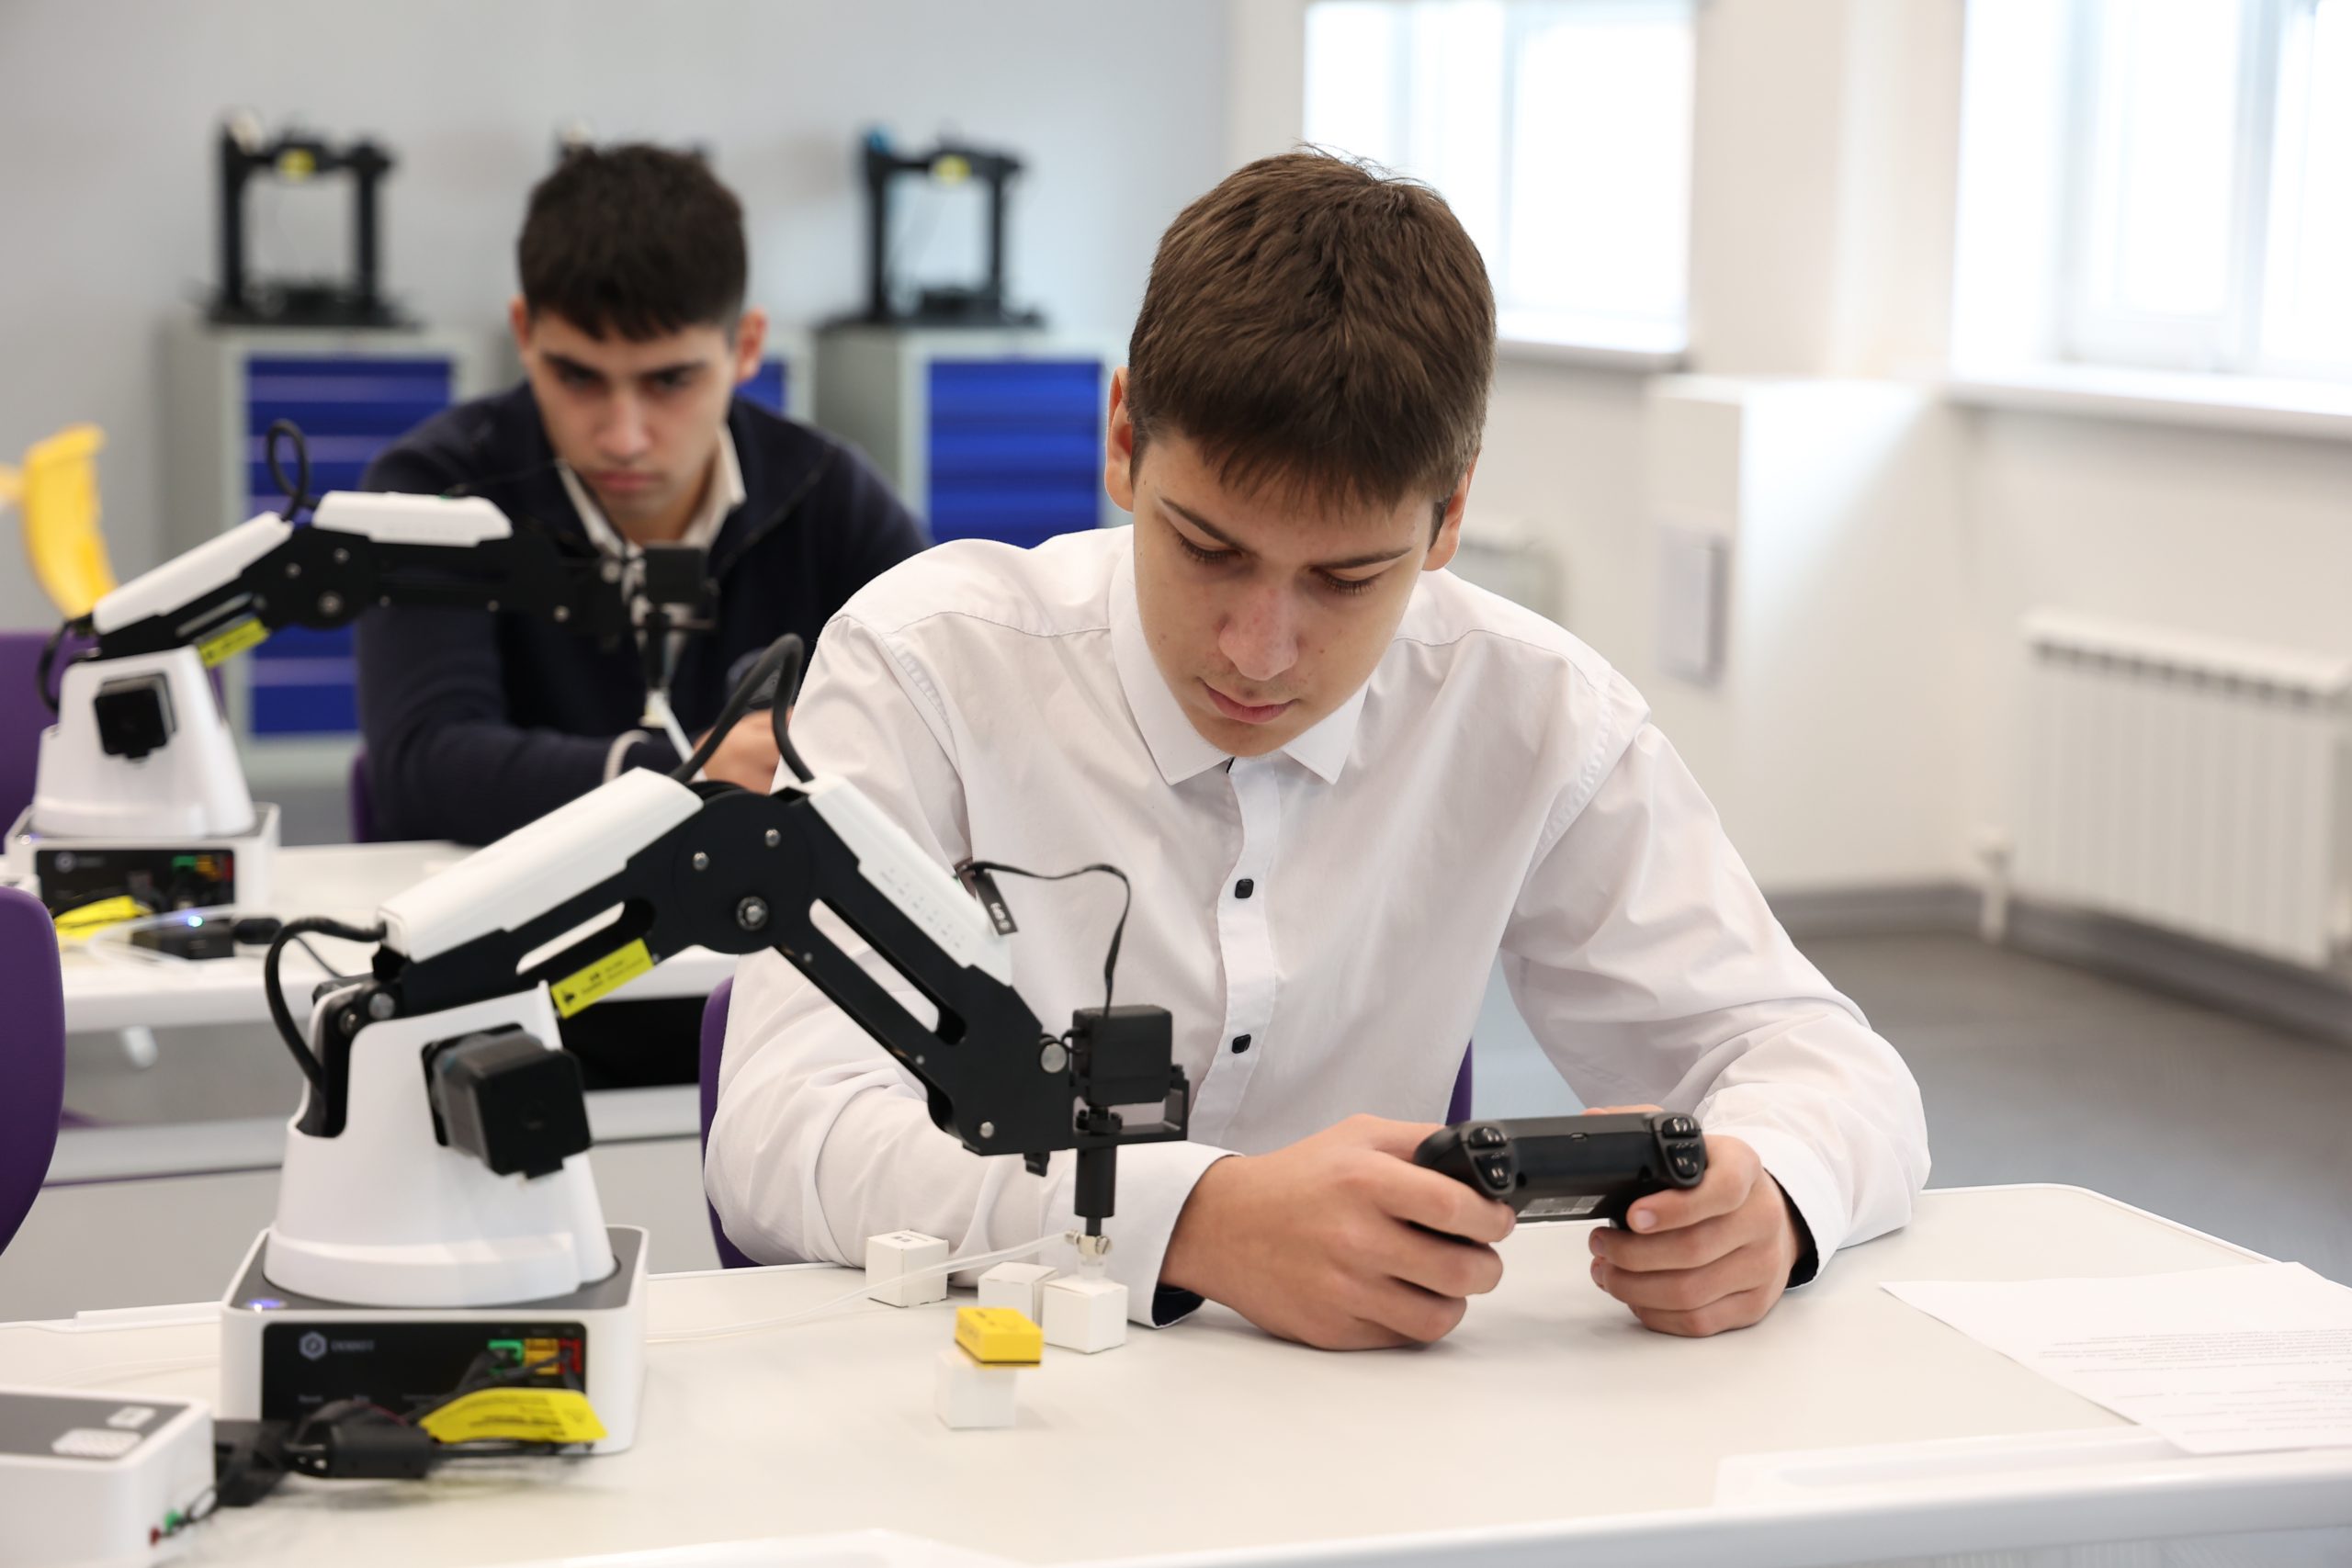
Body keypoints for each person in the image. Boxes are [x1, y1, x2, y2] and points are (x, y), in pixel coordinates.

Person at [707, 152, 1928, 1348]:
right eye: (1208, 549)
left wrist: (1773, 1196)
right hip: (969, 1387)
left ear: (1450, 515)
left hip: (1362, 1427)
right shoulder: (926, 667)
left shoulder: (1534, 710)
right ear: (1124, 436)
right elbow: (776, 1134)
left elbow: (1823, 1062)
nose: (1259, 650)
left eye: (1346, 578)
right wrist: (1194, 1220)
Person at [356, 143, 925, 847]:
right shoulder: (436, 490)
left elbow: (945, 731)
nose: (623, 438)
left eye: (670, 380)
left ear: (746, 346)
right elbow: (421, 773)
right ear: (524, 333)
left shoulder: (830, 497)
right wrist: (689, 776)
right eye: (578, 377)